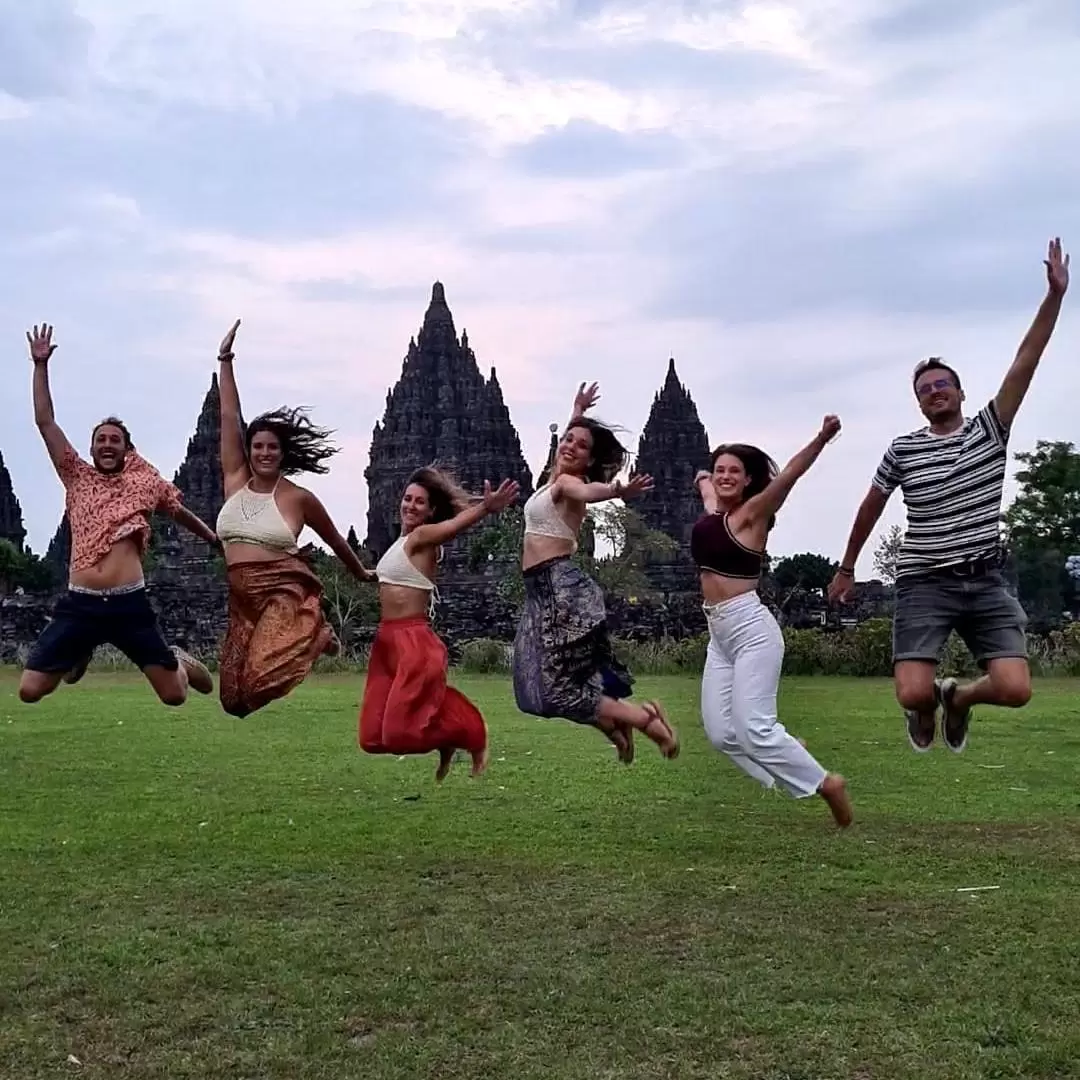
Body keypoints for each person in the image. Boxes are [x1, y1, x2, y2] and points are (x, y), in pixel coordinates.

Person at [827, 237, 1070, 754]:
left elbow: (1025, 361)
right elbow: (871, 505)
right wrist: (847, 567)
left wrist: (1054, 297)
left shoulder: (990, 430)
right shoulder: (904, 448)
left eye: (943, 384)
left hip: (983, 578)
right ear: (918, 403)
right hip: (924, 580)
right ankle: (928, 704)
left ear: (960, 392)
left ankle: (957, 699)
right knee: (913, 693)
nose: (934, 391)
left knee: (1015, 688)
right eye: (924, 389)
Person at [19, 324, 216, 706]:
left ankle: (177, 658)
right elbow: (45, 422)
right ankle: (78, 651)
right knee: (29, 691)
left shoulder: (145, 484)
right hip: (81, 603)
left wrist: (213, 539)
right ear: (91, 448)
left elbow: (180, 512)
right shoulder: (76, 476)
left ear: (127, 449)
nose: (108, 445)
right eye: (101, 440)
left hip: (129, 603)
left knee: (174, 695)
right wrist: (40, 365)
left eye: (115, 440)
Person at [692, 420, 853, 828]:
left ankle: (827, 783)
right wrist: (703, 479)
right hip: (719, 635)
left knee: (753, 727)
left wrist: (820, 438)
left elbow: (792, 474)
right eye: (720, 469)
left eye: (734, 471)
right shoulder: (712, 512)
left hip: (750, 630)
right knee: (721, 733)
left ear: (748, 481)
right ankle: (786, 751)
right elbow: (708, 488)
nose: (725, 477)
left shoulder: (753, 515)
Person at [215, 319, 376, 718]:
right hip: (241, 598)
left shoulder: (298, 498)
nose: (264, 453)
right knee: (234, 699)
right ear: (248, 450)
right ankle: (313, 638)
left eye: (272, 447)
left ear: (283, 453)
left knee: (259, 677)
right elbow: (228, 417)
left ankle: (316, 635)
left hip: (280, 591)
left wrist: (361, 573)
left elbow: (337, 540)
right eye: (258, 446)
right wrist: (225, 360)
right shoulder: (235, 480)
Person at [513, 382, 679, 763]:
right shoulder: (554, 481)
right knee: (533, 690)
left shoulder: (571, 485)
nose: (569, 445)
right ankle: (613, 725)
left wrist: (618, 491)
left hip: (558, 587)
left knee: (550, 691)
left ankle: (644, 720)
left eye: (580, 445)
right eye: (567, 440)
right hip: (540, 592)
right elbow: (565, 455)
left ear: (588, 461)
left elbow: (589, 493)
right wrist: (576, 410)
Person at [360, 467, 520, 780]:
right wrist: (366, 573)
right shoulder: (400, 543)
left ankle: (468, 733)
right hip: (386, 643)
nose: (410, 506)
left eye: (420, 502)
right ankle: (445, 736)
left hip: (412, 640)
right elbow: (392, 578)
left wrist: (485, 508)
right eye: (407, 499)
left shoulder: (422, 537)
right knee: (371, 738)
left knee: (397, 735)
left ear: (431, 511)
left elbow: (451, 528)